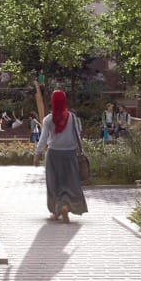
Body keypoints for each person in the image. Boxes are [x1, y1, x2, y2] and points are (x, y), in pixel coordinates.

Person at [33, 89, 88, 223]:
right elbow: (77, 135)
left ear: (52, 102)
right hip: (70, 154)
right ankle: (66, 206)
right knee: (69, 183)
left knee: (54, 183)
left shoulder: (48, 119)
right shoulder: (72, 117)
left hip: (53, 155)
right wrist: (79, 150)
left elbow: (43, 138)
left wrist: (37, 154)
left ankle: (58, 209)